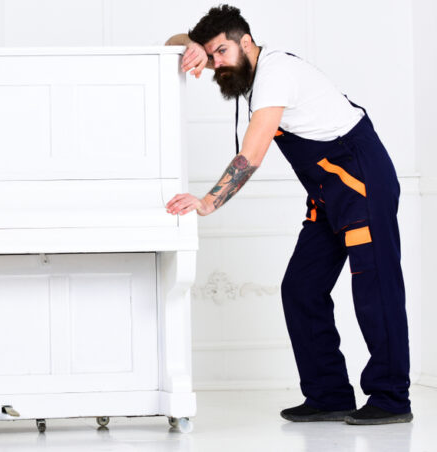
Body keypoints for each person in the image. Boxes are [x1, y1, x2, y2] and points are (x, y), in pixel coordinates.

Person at [164, 5, 412, 425]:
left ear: (246, 42)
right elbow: (168, 47)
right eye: (212, 55)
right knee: (301, 287)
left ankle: (391, 398)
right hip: (327, 194)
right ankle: (329, 394)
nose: (217, 63)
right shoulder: (246, 72)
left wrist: (207, 202)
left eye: (221, 51)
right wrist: (190, 46)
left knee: (375, 288)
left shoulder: (274, 75)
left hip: (361, 184)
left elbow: (252, 153)